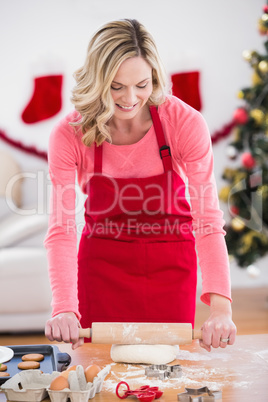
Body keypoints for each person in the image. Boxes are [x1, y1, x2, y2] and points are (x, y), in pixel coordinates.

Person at [44, 19, 237, 351]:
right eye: (116, 86)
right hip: (101, 272)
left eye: (142, 85)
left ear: (156, 79)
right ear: (97, 81)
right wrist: (64, 307)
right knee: (100, 380)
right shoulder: (70, 134)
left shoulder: (185, 124)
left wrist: (221, 308)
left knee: (167, 380)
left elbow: (207, 220)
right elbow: (61, 227)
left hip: (171, 270)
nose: (130, 99)